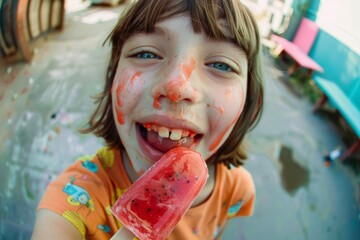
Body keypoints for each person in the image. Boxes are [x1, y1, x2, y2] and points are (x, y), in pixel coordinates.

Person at [32, 0, 264, 239]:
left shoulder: (236, 191)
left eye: (220, 65)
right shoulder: (74, 200)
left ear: (249, 104)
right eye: (146, 53)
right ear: (112, 82)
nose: (177, 87)